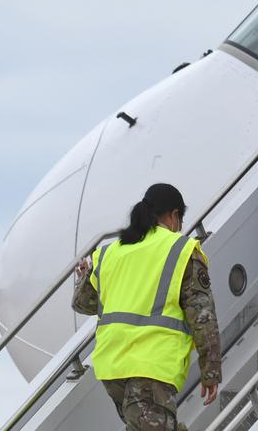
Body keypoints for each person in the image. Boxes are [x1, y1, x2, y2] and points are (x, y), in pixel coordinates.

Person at [71, 183, 220, 431]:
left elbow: (83, 303)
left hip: (112, 367)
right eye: (180, 221)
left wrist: (85, 276)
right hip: (152, 365)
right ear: (174, 216)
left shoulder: (110, 252)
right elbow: (203, 317)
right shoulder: (181, 250)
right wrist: (211, 370)